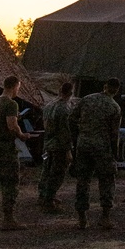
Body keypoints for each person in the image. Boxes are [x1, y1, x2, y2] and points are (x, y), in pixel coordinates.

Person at [0, 76, 34, 230]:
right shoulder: (11, 104)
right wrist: (22, 135)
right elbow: (11, 125)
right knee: (10, 182)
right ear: (14, 86)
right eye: (18, 87)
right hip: (5, 147)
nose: (19, 90)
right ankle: (8, 219)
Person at [72, 78, 122, 229]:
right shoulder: (114, 107)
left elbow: (72, 118)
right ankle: (105, 216)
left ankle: (82, 218)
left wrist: (78, 137)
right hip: (102, 147)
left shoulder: (86, 99)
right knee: (106, 179)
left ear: (104, 86)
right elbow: (114, 135)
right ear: (116, 90)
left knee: (83, 180)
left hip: (83, 145)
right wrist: (115, 153)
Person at [38, 81, 74, 213]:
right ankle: (49, 200)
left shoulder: (49, 105)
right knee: (57, 173)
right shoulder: (64, 109)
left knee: (46, 171)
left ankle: (43, 194)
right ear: (70, 93)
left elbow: (45, 124)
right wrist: (68, 150)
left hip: (48, 143)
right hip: (59, 146)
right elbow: (65, 132)